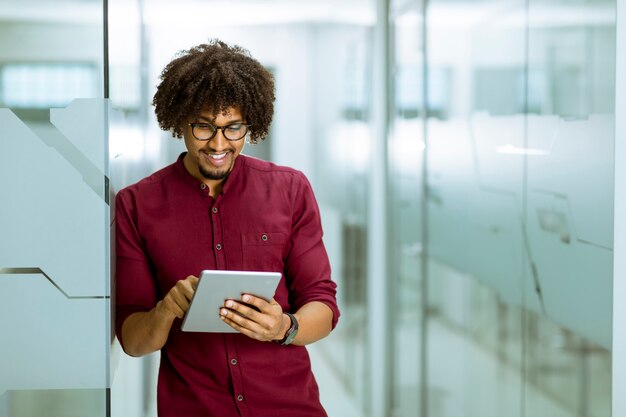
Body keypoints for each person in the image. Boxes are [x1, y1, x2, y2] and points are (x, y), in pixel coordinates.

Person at [115, 40, 340, 417]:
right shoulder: (137, 205)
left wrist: (284, 327)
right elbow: (134, 341)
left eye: (233, 128)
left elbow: (324, 305)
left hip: (288, 407)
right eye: (203, 127)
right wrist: (166, 309)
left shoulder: (290, 189)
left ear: (250, 123)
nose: (219, 144)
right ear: (179, 121)